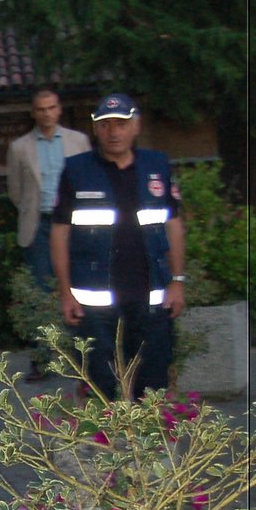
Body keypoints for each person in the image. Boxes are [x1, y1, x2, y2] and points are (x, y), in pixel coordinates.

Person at [51, 93, 185, 400]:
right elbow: (59, 232)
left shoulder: (157, 165)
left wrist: (178, 281)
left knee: (153, 382)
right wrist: (65, 291)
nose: (114, 132)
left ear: (135, 126)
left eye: (122, 124)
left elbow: (174, 225)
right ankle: (108, 444)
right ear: (95, 130)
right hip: (95, 296)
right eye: (106, 125)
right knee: (100, 382)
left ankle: (149, 442)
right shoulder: (76, 170)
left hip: (151, 291)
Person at [9, 88, 91, 381]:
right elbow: (16, 191)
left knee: (81, 286)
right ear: (34, 112)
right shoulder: (19, 147)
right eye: (41, 109)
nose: (46, 113)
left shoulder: (78, 141)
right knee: (39, 291)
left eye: (51, 107)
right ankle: (42, 358)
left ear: (59, 109)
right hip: (40, 222)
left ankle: (82, 354)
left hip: (75, 223)